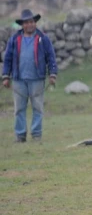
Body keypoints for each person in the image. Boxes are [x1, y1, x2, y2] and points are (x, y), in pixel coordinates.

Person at [2, 9, 57, 143]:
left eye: (31, 22)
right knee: (19, 109)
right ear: (22, 25)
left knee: (37, 108)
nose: (29, 25)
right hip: (18, 79)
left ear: (35, 23)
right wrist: (5, 76)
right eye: (26, 23)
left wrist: (52, 74)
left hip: (37, 79)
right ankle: (20, 135)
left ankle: (36, 135)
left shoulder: (42, 39)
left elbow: (51, 57)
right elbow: (8, 58)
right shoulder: (14, 39)